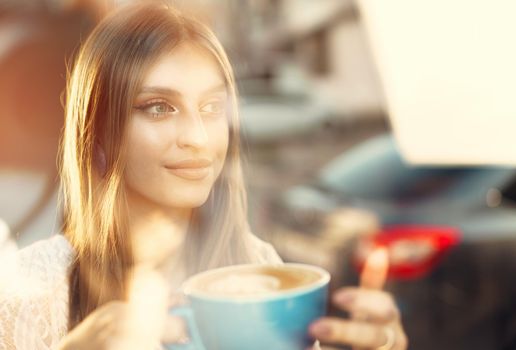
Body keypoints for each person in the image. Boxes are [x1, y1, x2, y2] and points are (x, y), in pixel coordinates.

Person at [0, 3, 407, 350]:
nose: (198, 138)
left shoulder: (261, 266)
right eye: (159, 107)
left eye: (211, 108)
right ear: (99, 132)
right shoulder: (35, 287)